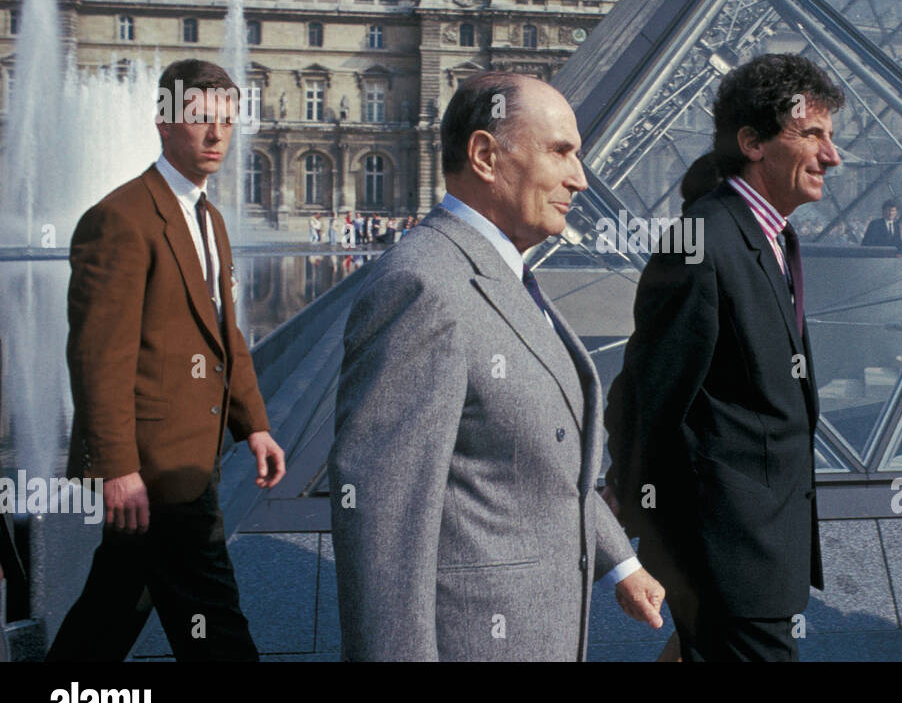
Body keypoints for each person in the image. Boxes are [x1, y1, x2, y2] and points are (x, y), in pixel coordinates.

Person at [329, 71, 665, 661]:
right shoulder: (423, 285)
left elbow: (544, 464)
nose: (580, 179)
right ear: (485, 155)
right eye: (560, 152)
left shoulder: (499, 271)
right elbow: (384, 526)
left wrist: (621, 562)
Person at [46, 59, 286, 662]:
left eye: (227, 122)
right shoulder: (120, 218)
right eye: (201, 119)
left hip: (191, 454)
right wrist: (118, 467)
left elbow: (224, 334)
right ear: (163, 122)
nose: (217, 136)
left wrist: (252, 423)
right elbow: (98, 357)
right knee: (216, 622)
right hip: (159, 468)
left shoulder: (210, 219)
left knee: (113, 604)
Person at [605, 53, 842, 661]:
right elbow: (648, 393)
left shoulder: (771, 235)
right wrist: (630, 528)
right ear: (753, 142)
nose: (831, 156)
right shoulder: (702, 240)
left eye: (830, 137)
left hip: (757, 552)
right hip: (729, 561)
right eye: (812, 134)